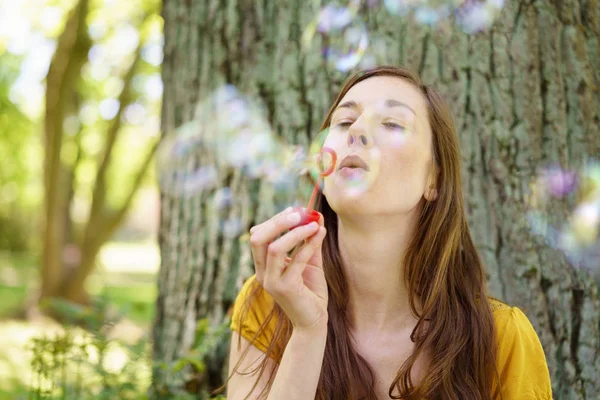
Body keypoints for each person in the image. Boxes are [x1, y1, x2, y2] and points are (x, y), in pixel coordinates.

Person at [217, 66, 552, 400]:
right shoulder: (269, 305)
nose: (357, 130)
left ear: (432, 179)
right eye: (345, 122)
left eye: (392, 123)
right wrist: (307, 331)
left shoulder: (502, 340)